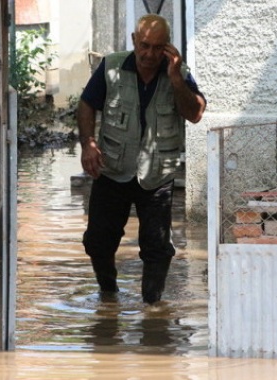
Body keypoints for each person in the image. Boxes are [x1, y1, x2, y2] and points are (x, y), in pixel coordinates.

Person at [77, 14, 206, 304]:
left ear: (167, 48)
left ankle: (152, 305)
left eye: (157, 47)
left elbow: (195, 114)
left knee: (157, 246)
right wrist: (88, 143)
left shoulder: (178, 72)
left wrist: (175, 80)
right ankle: (108, 295)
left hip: (157, 174)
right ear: (135, 40)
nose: (149, 54)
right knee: (98, 241)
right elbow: (86, 104)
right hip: (112, 168)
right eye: (144, 45)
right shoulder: (111, 66)